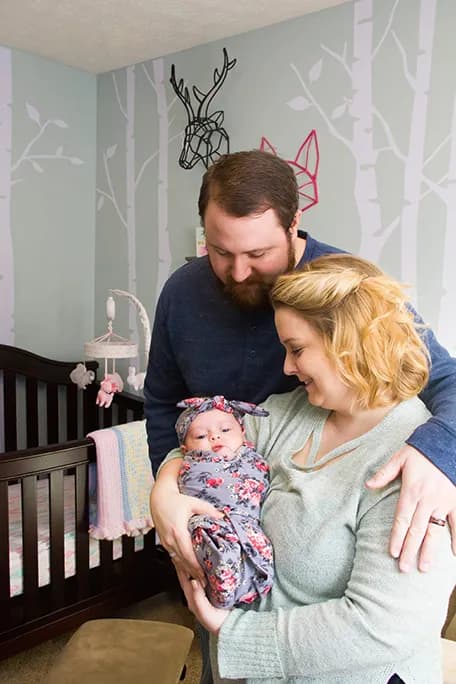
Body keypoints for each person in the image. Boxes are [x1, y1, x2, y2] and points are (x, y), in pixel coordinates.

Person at [145, 150, 456, 683]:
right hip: (235, 559)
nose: (237, 270)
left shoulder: (345, 291)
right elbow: (163, 409)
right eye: (220, 251)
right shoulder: (185, 296)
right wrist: (169, 492)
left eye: (258, 252)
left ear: (294, 225)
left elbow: (381, 625)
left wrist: (441, 450)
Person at [174, 395, 274, 609]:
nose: (214, 437)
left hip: (244, 521)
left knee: (259, 549)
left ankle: (244, 586)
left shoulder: (251, 457)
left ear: (243, 434)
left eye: (225, 431)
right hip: (210, 521)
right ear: (185, 450)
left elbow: (260, 478)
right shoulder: (192, 464)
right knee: (212, 545)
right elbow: (187, 485)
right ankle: (220, 584)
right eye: (201, 436)